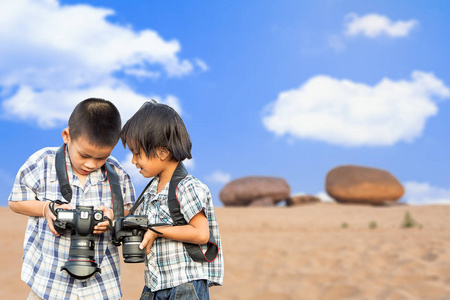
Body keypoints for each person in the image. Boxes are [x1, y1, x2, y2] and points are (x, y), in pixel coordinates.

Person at [8, 98, 136, 300]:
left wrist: (112, 216)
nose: (91, 164)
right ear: (67, 136)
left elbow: (129, 212)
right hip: (48, 283)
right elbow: (15, 202)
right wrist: (46, 209)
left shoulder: (117, 174)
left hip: (101, 286)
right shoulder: (42, 162)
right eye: (84, 155)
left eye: (101, 157)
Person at [120, 101, 223, 300]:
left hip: (184, 284)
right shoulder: (151, 191)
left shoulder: (187, 187)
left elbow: (201, 234)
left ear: (162, 152)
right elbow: (136, 220)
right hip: (155, 284)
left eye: (137, 153)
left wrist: (156, 231)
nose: (133, 161)